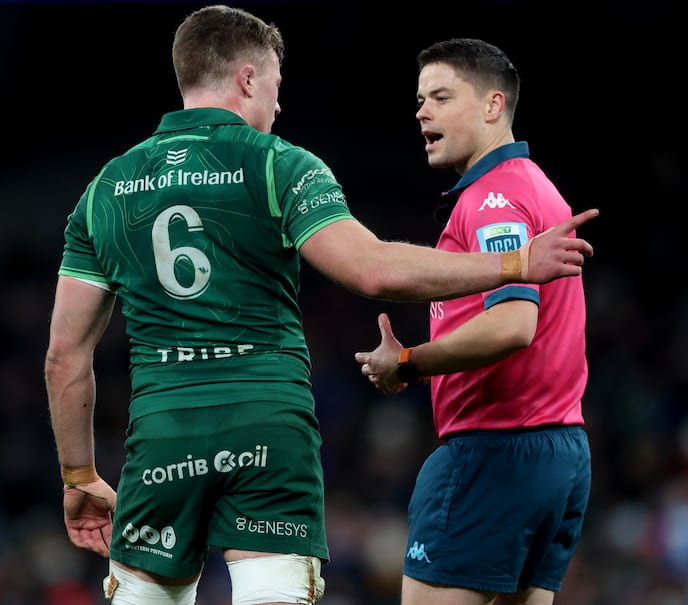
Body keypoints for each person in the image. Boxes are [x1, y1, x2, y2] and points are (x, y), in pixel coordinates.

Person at [44, 7, 597, 605]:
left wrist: (78, 477)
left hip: (161, 434)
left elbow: (63, 358)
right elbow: (373, 269)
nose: (278, 108)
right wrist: (515, 265)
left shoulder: (105, 189)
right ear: (249, 79)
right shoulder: (280, 164)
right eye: (277, 87)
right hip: (268, 425)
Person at [355, 38, 593, 605]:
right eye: (419, 99)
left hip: (495, 452)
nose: (421, 111)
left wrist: (408, 364)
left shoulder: (493, 198)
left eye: (440, 96)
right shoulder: (537, 186)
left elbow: (512, 326)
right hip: (561, 451)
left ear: (492, 106)